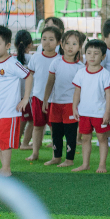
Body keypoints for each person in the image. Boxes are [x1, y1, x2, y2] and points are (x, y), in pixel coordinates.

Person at [0, 26, 33, 177]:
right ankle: (3, 167)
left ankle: (7, 169)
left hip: (10, 110)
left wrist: (25, 98)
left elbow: (28, 76)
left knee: (5, 141)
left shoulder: (12, 63)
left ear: (7, 45)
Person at [42, 30, 85, 167]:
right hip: (55, 103)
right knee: (56, 133)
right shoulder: (56, 63)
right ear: (61, 45)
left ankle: (69, 160)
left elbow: (81, 89)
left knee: (70, 133)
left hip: (71, 105)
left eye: (74, 44)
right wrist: (45, 100)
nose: (70, 46)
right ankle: (56, 157)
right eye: (67, 43)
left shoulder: (80, 68)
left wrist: (79, 105)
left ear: (80, 47)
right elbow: (50, 82)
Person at [71, 40, 110, 173]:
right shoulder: (80, 73)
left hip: (100, 113)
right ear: (85, 55)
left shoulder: (105, 74)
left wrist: (107, 112)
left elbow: (109, 95)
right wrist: (74, 107)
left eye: (96, 53)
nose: (92, 56)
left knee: (102, 138)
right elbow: (77, 92)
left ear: (103, 56)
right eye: (89, 53)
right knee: (85, 139)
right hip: (84, 113)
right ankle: (85, 164)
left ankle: (102, 165)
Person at [25, 26, 61, 162]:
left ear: (58, 42)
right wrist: (27, 95)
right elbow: (30, 76)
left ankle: (55, 155)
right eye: (44, 39)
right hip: (37, 97)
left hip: (55, 99)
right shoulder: (35, 57)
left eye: (51, 39)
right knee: (37, 126)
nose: (47, 42)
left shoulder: (61, 59)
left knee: (54, 128)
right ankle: (35, 153)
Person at [13, 30, 35, 150]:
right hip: (28, 95)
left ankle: (17, 142)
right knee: (31, 120)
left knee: (22, 119)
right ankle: (24, 143)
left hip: (16, 94)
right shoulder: (31, 58)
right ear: (30, 45)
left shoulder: (13, 59)